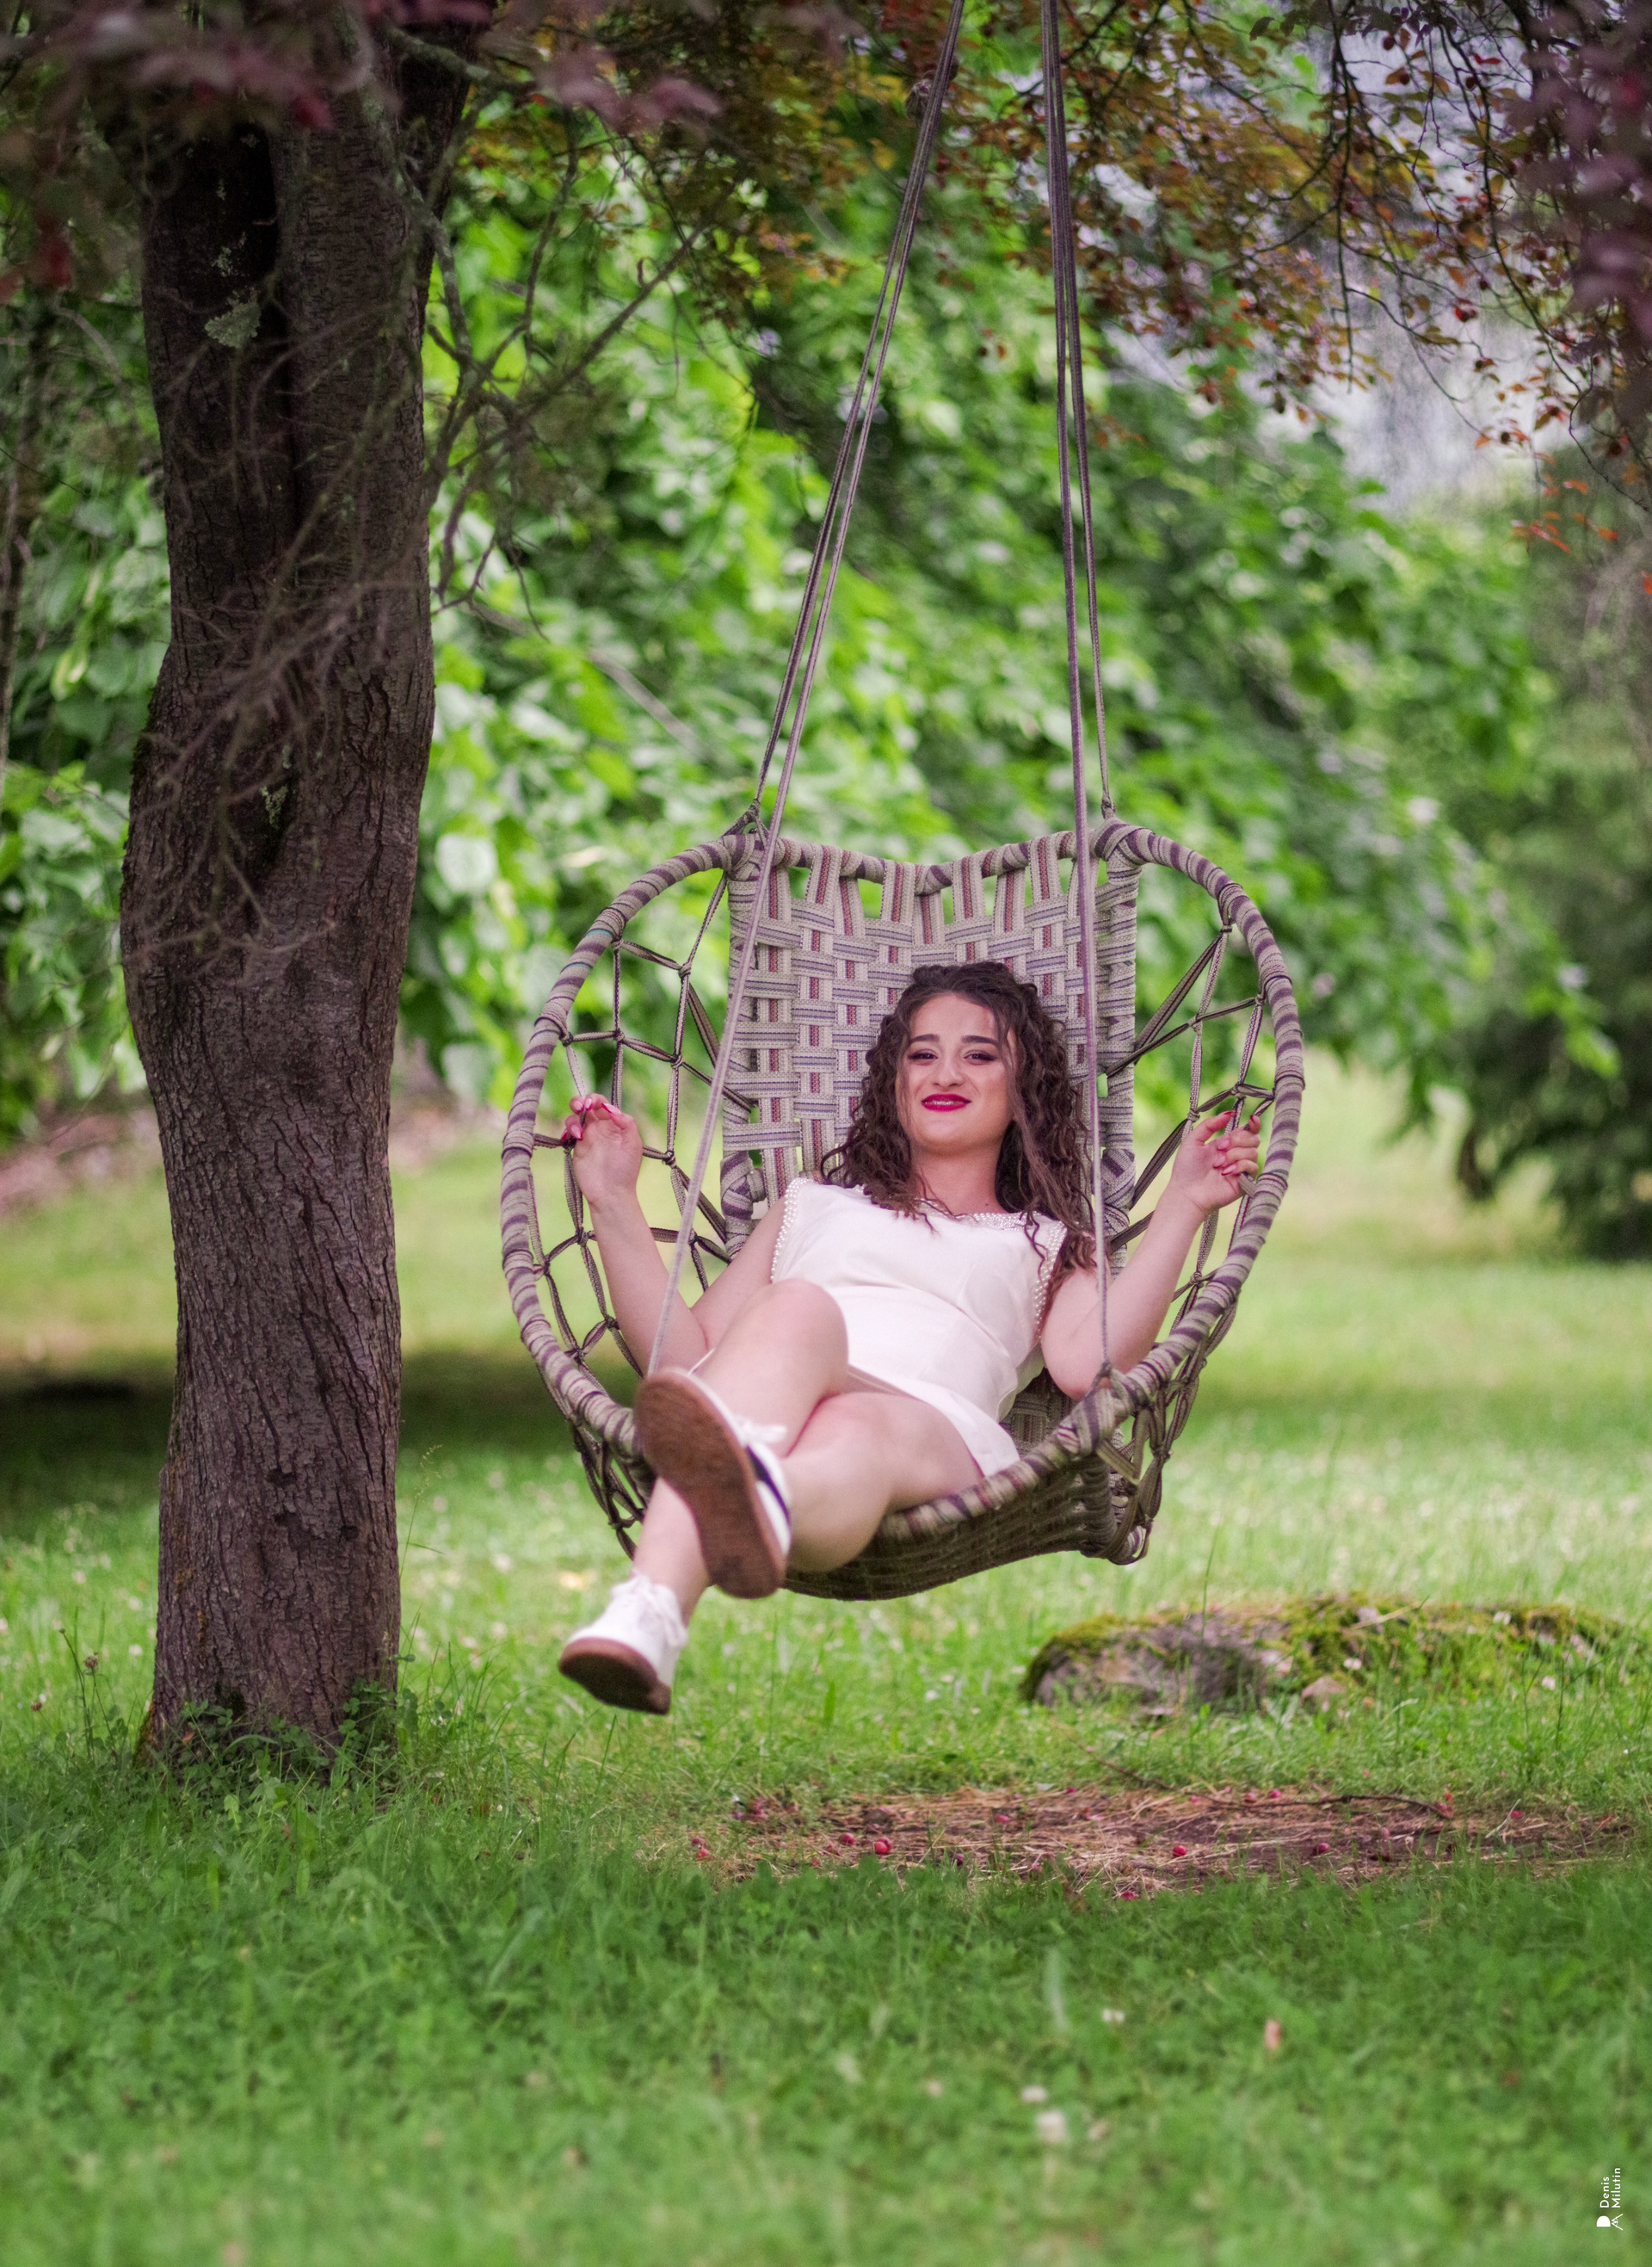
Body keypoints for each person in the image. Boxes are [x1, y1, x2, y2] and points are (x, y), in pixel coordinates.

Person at [557, 960, 1261, 1714]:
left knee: (839, 1383)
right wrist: (614, 1200)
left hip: (930, 1429)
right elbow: (686, 1366)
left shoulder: (1045, 1243)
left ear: (1023, 1088)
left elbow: (1090, 1364)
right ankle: (687, 1580)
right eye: (922, 1053)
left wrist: (1184, 1204)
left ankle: (660, 1586)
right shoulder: (811, 1205)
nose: (945, 1072)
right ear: (894, 1082)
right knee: (801, 1320)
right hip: (792, 1412)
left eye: (979, 1054)